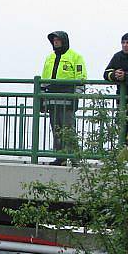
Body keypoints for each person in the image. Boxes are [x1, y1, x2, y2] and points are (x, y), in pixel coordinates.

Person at [40, 30, 87, 165]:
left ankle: (75, 158)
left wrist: (77, 94)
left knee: (69, 130)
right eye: (54, 40)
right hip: (52, 99)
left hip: (68, 99)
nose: (56, 42)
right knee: (56, 130)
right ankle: (60, 157)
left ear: (64, 41)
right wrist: (42, 97)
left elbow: (81, 77)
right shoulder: (49, 58)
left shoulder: (75, 57)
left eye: (58, 40)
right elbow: (44, 78)